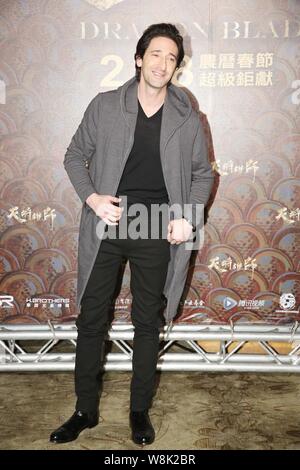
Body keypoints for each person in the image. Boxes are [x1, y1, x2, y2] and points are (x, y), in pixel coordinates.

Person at [50, 23, 214, 446]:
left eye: (172, 58)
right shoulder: (105, 106)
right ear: (139, 58)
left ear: (177, 67)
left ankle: (138, 411)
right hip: (109, 219)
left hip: (158, 224)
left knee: (147, 321)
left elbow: (200, 175)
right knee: (91, 318)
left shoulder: (188, 117)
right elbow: (74, 156)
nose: (162, 64)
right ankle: (85, 410)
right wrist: (92, 199)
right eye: (155, 54)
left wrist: (187, 217)